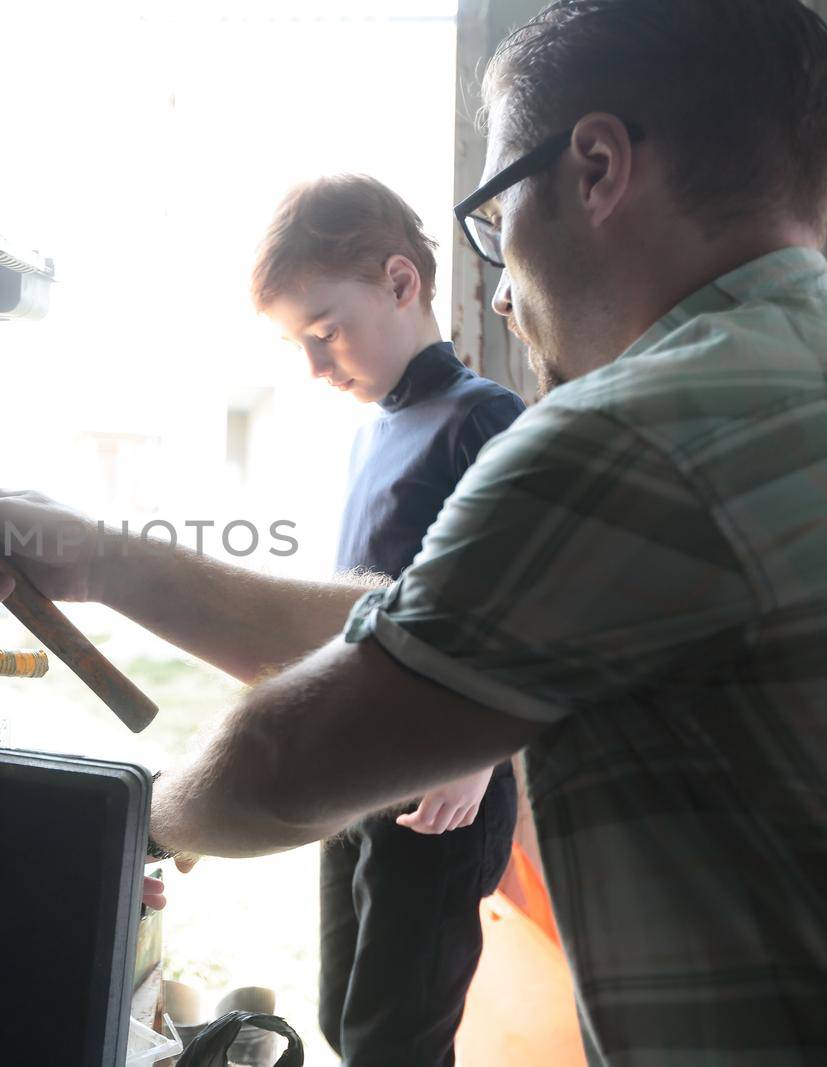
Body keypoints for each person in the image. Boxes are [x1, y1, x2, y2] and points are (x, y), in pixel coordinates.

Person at [0, 0, 827, 1059]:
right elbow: (420, 621)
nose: (499, 289)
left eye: (494, 215)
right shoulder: (806, 380)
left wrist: (122, 821)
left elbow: (283, 759)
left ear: (594, 168)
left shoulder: (626, 433)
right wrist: (100, 554)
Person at [251, 174, 523, 1065]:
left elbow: (525, 605)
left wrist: (477, 752)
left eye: (325, 332)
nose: (317, 367)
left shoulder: (483, 420)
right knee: (343, 1015)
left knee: (394, 1039)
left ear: (401, 284)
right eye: (301, 344)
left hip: (443, 777)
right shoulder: (375, 426)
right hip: (359, 767)